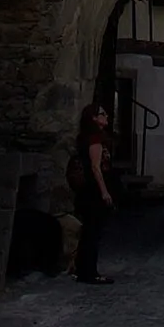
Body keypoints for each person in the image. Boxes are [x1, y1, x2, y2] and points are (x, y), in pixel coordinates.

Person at [66, 101, 114, 283]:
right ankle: (90, 272)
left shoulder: (85, 137)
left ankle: (82, 269)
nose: (106, 116)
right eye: (102, 113)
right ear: (94, 118)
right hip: (93, 191)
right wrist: (104, 192)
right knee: (93, 231)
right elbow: (95, 167)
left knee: (89, 231)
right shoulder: (94, 138)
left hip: (87, 191)